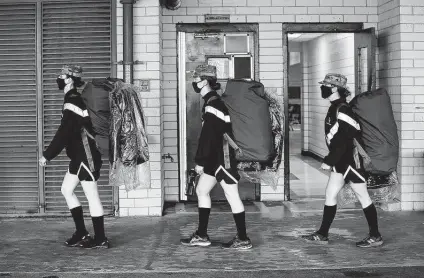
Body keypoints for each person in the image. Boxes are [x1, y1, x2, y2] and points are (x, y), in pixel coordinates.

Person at [301, 73, 383, 248]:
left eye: (325, 86)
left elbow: (345, 140)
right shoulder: (335, 107)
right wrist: (333, 161)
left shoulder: (343, 109)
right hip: (341, 162)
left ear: (334, 89)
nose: (322, 88)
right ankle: (323, 233)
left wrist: (329, 160)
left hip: (351, 162)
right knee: (330, 194)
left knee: (363, 196)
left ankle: (375, 235)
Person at [180, 64, 252, 250]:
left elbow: (208, 137)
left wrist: (200, 162)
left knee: (232, 195)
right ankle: (202, 235)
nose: (194, 82)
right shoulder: (212, 102)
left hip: (223, 159)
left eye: (196, 79)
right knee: (202, 190)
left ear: (204, 81)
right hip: (216, 157)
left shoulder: (214, 104)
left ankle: (243, 238)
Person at [39, 65, 109, 249]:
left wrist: (48, 155)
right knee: (66, 189)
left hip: (86, 155)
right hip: (80, 155)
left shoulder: (73, 102)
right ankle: (81, 232)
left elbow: (64, 133)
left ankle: (100, 238)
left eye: (61, 75)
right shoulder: (72, 99)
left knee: (92, 196)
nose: (58, 78)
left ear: (69, 79)